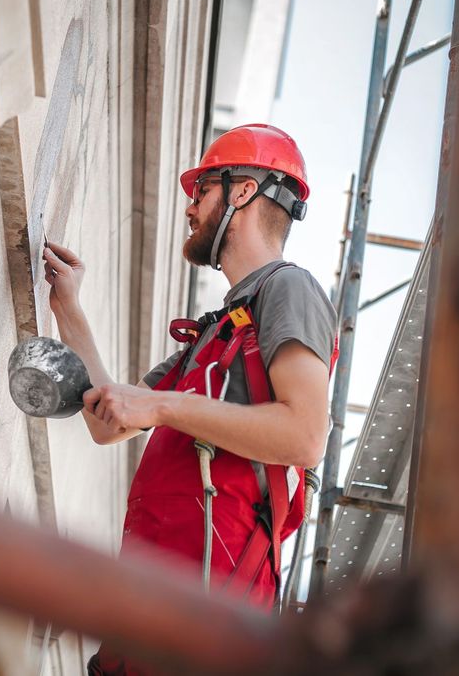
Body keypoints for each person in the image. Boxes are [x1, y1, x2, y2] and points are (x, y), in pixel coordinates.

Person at [42, 124, 336, 675]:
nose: (190, 208)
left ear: (243, 191)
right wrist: (68, 309)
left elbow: (304, 436)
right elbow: (110, 422)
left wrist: (164, 407)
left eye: (202, 191)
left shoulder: (289, 290)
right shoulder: (214, 337)